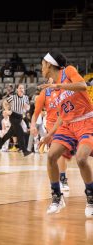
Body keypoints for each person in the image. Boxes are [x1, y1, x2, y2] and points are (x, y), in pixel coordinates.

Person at [38, 51, 93, 216]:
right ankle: (57, 197)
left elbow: (83, 85)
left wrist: (58, 86)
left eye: (42, 64)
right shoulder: (53, 90)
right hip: (68, 125)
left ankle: (91, 199)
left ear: (48, 64)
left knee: (81, 158)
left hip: (86, 121)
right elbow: (62, 115)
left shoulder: (67, 71)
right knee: (51, 156)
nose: (41, 68)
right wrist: (50, 134)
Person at [30, 78, 70, 191]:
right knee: (58, 152)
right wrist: (32, 125)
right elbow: (36, 112)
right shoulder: (45, 93)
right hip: (51, 125)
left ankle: (61, 178)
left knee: (62, 153)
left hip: (65, 123)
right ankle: (61, 179)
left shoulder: (64, 90)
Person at [0, 83, 30, 156]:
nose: (21, 89)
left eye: (22, 88)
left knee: (9, 134)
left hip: (20, 117)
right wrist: (7, 110)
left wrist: (26, 107)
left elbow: (27, 108)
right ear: (17, 90)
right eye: (20, 88)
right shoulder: (13, 97)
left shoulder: (26, 97)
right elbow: (4, 102)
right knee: (20, 133)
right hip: (13, 116)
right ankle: (24, 151)